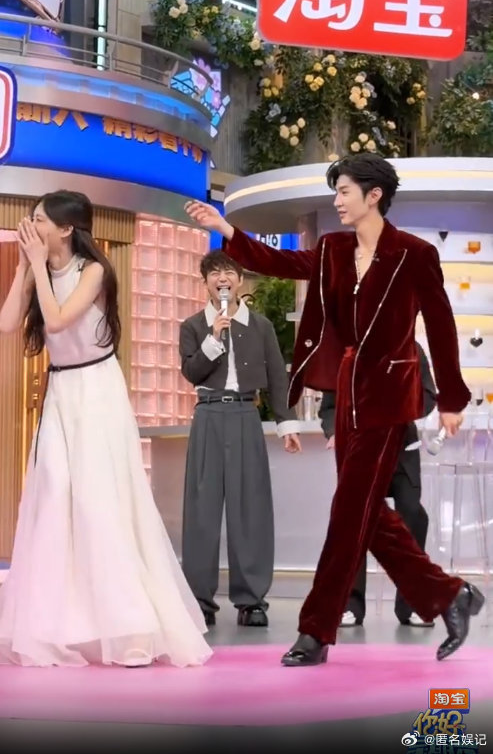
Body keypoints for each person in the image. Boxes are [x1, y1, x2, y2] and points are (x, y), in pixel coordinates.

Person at [184, 153, 484, 666]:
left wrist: (452, 399)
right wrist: (227, 231)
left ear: (374, 195)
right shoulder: (332, 249)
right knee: (364, 512)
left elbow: (439, 326)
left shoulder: (415, 255)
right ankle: (450, 594)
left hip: (389, 396)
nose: (338, 201)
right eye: (336, 191)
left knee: (348, 513)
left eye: (344, 191)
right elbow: (280, 263)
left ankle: (315, 631)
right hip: (345, 394)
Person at [0, 190, 212, 668]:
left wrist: (37, 269)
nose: (32, 226)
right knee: (54, 496)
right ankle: (61, 626)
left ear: (66, 229)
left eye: (40, 219)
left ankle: (131, 628)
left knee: (101, 501)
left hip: (96, 391)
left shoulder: (93, 270)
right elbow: (8, 323)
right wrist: (23, 268)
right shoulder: (38, 269)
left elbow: (58, 322)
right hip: (61, 394)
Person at [179, 250, 301, 627]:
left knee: (251, 508)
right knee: (201, 510)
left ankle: (251, 601)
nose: (223, 279)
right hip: (208, 414)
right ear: (205, 283)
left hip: (247, 415)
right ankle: (200, 600)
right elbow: (191, 372)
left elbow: (278, 377)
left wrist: (286, 424)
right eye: (215, 273)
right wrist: (213, 338)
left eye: (229, 272)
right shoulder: (194, 326)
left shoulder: (260, 326)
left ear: (240, 280)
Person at [319, 342, 436, 627]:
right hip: (359, 448)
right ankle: (350, 604)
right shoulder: (344, 352)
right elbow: (330, 407)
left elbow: (428, 395)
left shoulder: (411, 348)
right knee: (355, 521)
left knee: (413, 515)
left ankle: (412, 604)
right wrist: (334, 431)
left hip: (401, 448)